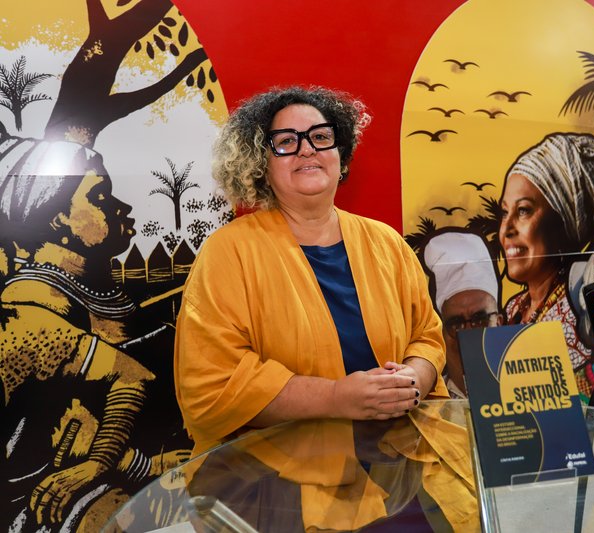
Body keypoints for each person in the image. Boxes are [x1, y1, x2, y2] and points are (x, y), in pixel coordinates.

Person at [174, 86, 448, 457]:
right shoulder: (228, 253)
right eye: (286, 142)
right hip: (276, 476)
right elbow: (212, 384)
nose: (307, 149)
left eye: (320, 137)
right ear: (261, 165)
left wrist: (414, 379)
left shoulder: (387, 243)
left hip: (399, 464)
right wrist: (335, 397)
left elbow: (427, 337)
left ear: (341, 157)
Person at [0, 138, 186, 530]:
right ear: (57, 220)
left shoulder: (103, 293)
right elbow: (69, 433)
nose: (122, 207)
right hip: (69, 499)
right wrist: (144, 466)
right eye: (100, 197)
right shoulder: (33, 303)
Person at [498, 132, 594, 401]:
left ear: (563, 220)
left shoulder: (582, 309)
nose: (506, 229)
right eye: (504, 212)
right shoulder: (514, 308)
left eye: (523, 210)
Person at [423, 230, 500, 398]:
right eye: (456, 324)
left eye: (480, 320)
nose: (468, 333)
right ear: (442, 334)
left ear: (499, 323)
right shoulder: (430, 401)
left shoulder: (525, 391)